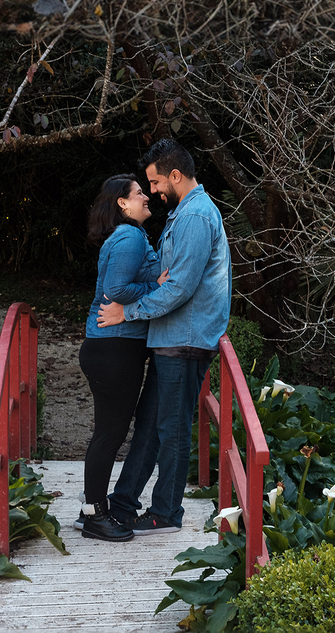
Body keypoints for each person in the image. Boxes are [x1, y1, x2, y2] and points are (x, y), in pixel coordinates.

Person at [97, 139, 231, 535]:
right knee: (151, 423)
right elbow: (166, 280)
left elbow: (180, 288)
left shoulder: (196, 216)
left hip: (185, 340)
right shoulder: (184, 213)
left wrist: (128, 311)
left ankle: (167, 512)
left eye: (155, 182)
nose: (153, 191)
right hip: (170, 338)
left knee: (170, 428)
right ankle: (123, 503)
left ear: (175, 175)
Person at [76, 174, 167, 542]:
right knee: (109, 435)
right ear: (122, 203)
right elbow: (116, 289)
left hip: (111, 348)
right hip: (114, 349)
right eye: (139, 193)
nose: (146, 197)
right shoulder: (129, 236)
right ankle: (95, 517)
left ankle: (91, 509)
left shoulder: (130, 235)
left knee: (107, 433)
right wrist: (156, 285)